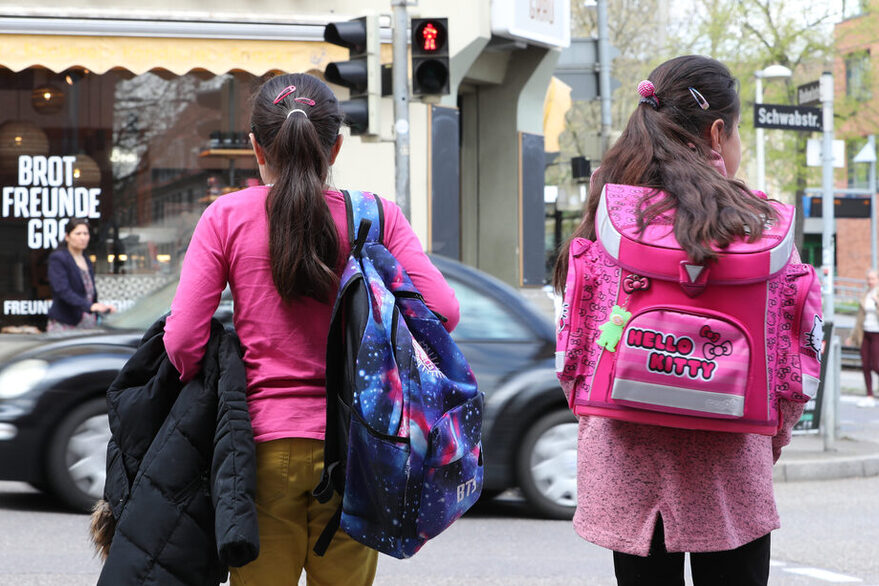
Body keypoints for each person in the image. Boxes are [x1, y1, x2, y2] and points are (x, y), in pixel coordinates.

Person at [162, 73, 460, 585]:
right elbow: (444, 312)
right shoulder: (375, 218)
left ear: (256, 147)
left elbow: (183, 341)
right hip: (358, 449)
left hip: (259, 450)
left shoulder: (226, 217)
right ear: (336, 146)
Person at [553, 55, 805, 586]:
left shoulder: (611, 210)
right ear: (717, 132)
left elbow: (574, 341)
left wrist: (593, 419)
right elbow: (793, 354)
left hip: (627, 449)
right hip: (730, 456)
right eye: (737, 133)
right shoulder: (759, 225)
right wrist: (773, 435)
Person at [46, 218, 115, 331]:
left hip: (88, 321)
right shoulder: (59, 258)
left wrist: (102, 308)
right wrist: (90, 306)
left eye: (85, 233)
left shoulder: (86, 259)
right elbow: (62, 290)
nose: (83, 238)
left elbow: (89, 292)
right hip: (66, 322)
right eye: (78, 233)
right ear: (67, 236)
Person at [846, 269, 879, 407]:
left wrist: (877, 302)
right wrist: (852, 337)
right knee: (865, 365)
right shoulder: (866, 294)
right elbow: (859, 318)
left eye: (872, 279)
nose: (870, 281)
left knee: (876, 366)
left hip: (877, 333)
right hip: (865, 333)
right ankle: (869, 395)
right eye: (868, 279)